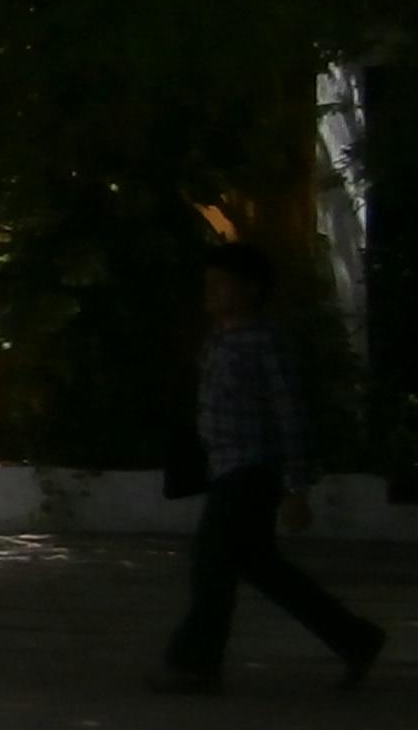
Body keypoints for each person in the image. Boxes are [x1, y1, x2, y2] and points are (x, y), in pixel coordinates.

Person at [163, 237, 384, 695]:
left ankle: (196, 663)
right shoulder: (219, 341)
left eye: (222, 285)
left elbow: (290, 414)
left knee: (212, 562)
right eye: (209, 284)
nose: (212, 293)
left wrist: (296, 487)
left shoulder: (266, 342)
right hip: (225, 467)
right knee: (262, 567)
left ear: (252, 289)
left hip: (252, 470)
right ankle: (354, 637)